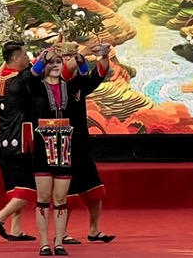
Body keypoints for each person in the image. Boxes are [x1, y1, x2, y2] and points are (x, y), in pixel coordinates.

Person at [21, 44, 91, 256]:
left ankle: (59, 242)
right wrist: (46, 56)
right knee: (43, 198)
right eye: (51, 63)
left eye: (58, 62)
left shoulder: (69, 86)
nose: (55, 66)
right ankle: (44, 243)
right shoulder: (35, 86)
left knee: (61, 199)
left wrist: (80, 58)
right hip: (43, 145)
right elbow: (32, 74)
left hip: (65, 145)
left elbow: (85, 76)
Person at [62, 44, 115, 244]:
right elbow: (66, 71)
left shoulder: (79, 83)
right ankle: (62, 233)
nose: (71, 60)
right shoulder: (55, 83)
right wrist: (82, 54)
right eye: (66, 56)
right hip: (63, 144)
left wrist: (104, 56)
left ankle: (94, 230)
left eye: (71, 56)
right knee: (66, 194)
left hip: (81, 145)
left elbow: (98, 75)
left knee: (95, 190)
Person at [0, 41, 37, 242]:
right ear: (16, 58)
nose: (28, 58)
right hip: (19, 141)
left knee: (15, 189)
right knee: (30, 187)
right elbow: (36, 70)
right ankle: (0, 217)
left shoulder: (2, 77)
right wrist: (52, 52)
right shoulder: (17, 79)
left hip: (3, 141)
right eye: (25, 55)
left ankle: (16, 230)